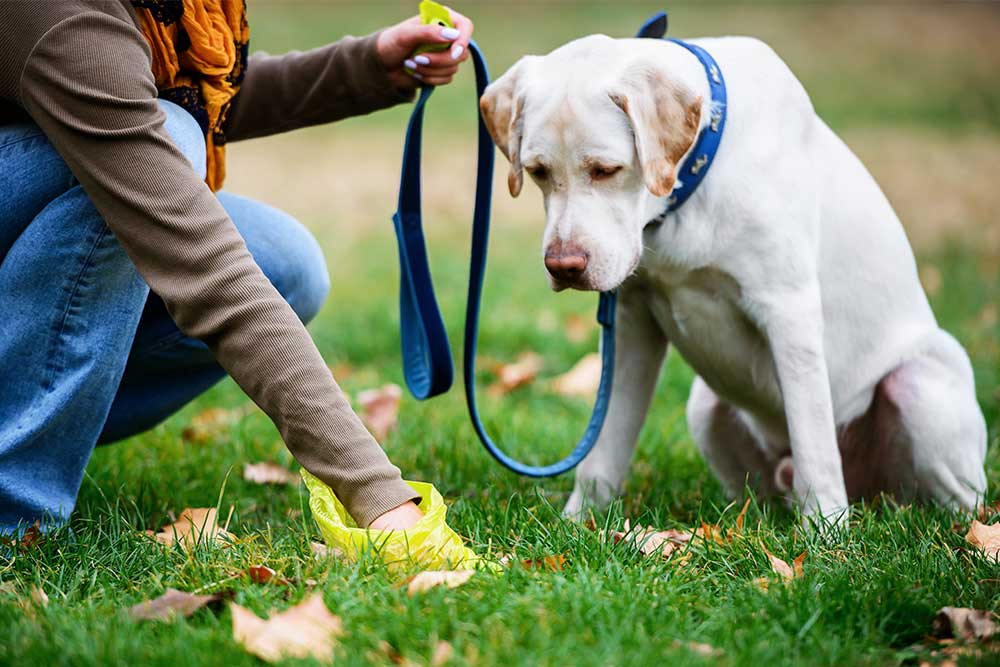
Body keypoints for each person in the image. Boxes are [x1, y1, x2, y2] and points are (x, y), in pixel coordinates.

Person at [0, 0, 474, 537]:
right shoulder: (62, 15)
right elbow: (205, 268)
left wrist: (369, 66)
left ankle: (47, 426)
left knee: (285, 261)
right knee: (170, 137)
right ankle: (13, 511)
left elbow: (180, 94)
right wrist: (376, 492)